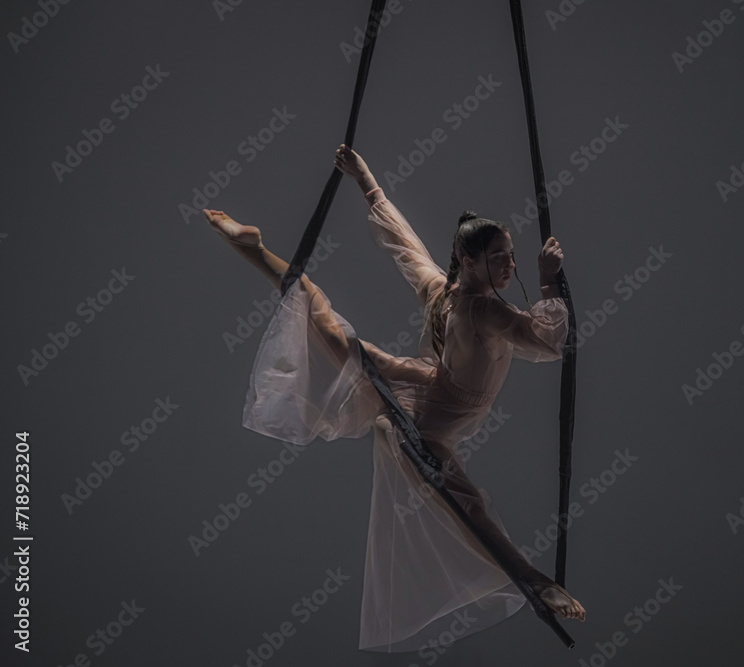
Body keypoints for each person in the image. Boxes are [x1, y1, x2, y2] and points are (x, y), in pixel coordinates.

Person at [204, 144, 585, 652]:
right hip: (432, 418)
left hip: (424, 386)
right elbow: (548, 342)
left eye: (510, 257)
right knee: (468, 508)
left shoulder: (443, 291)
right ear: (468, 262)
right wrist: (545, 279)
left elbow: (403, 243)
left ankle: (258, 252)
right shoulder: (488, 313)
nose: (508, 266)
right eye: (499, 259)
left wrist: (365, 179)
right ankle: (534, 579)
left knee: (336, 335)